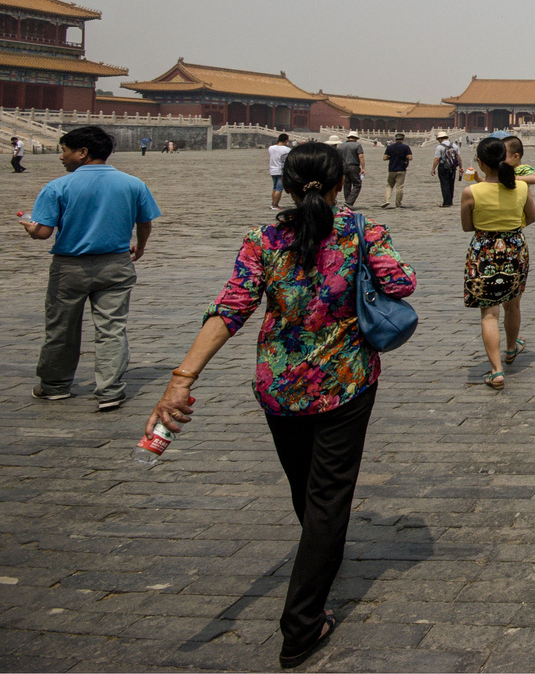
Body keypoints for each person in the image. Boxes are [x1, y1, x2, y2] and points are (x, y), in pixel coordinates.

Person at [143, 141, 414, 669]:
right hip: (345, 380)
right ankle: (301, 625)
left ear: (286, 185)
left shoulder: (262, 240)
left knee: (305, 486)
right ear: (341, 183)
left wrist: (182, 378)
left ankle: (319, 551)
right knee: (329, 494)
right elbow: (401, 282)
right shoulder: (362, 230)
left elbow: (231, 308)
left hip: (279, 384)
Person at [21, 126, 161, 411]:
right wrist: (141, 247)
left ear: (82, 153)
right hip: (116, 264)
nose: (61, 157)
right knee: (112, 329)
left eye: (64, 150)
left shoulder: (57, 187)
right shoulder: (132, 183)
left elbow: (44, 233)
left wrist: (30, 228)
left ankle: (55, 385)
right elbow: (145, 223)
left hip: (69, 268)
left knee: (61, 329)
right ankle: (109, 390)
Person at [461, 137, 535, 389]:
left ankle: (496, 371)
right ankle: (510, 348)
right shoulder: (520, 188)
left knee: (489, 314)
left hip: (484, 251)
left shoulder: (471, 192)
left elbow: (467, 227)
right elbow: (533, 217)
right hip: (515, 249)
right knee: (513, 305)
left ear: (481, 164)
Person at [382, 134, 411, 209]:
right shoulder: (406, 147)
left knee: (389, 185)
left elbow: (384, 158)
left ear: (395, 139)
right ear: (403, 139)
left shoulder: (390, 147)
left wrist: (391, 158)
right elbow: (410, 157)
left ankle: (387, 200)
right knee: (399, 187)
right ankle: (398, 204)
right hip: (401, 169)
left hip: (392, 169)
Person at [431, 132, 461, 207]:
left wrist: (433, 169)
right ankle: (450, 201)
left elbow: (437, 159)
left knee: (444, 184)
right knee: (451, 184)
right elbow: (459, 158)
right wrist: (461, 167)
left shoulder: (439, 147)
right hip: (453, 166)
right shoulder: (454, 145)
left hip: (443, 167)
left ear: (440, 139)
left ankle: (446, 202)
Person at [337, 134, 365, 207]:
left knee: (347, 185)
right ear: (356, 138)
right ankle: (349, 202)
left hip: (344, 167)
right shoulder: (357, 145)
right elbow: (360, 156)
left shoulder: (341, 146)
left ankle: (347, 201)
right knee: (357, 184)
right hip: (353, 166)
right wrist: (363, 168)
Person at [269, 133, 292, 209]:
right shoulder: (287, 149)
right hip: (281, 170)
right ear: (286, 140)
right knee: (279, 188)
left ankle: (273, 203)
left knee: (274, 188)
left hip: (272, 170)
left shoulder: (271, 148)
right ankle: (275, 205)